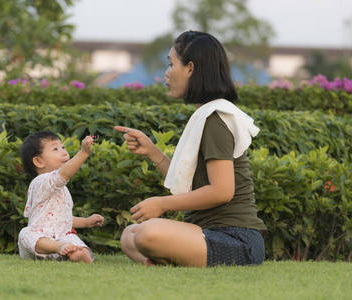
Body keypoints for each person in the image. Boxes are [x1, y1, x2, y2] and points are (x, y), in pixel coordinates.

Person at [114, 30, 266, 267]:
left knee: (147, 234)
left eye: (171, 64)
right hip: (205, 233)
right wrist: (153, 152)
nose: (166, 73)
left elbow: (222, 191)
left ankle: (166, 260)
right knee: (130, 236)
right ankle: (166, 262)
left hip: (237, 241)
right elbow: (187, 184)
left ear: (191, 69)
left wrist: (161, 204)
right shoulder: (205, 114)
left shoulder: (216, 118)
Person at [18, 131, 104, 263]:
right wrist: (83, 153)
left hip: (62, 238)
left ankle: (78, 254)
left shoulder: (63, 189)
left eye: (63, 147)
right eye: (55, 149)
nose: (64, 152)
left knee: (75, 242)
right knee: (26, 233)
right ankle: (58, 248)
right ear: (38, 161)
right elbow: (63, 174)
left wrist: (87, 222)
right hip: (40, 242)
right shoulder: (41, 182)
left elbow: (63, 219)